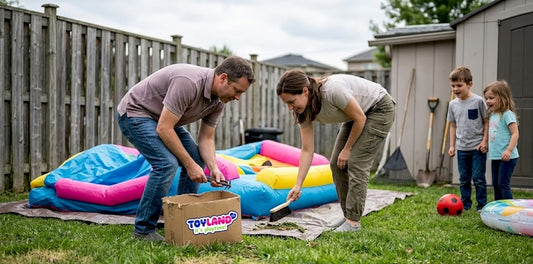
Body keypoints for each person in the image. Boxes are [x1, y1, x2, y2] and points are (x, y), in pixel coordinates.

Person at [117, 56, 255, 242]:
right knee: (166, 164)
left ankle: (182, 220)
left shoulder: (219, 101)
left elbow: (206, 138)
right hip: (136, 113)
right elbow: (164, 128)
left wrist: (213, 168)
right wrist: (189, 166)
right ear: (223, 78)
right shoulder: (189, 82)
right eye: (237, 90)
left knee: (196, 158)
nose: (237, 98)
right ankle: (143, 230)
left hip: (163, 119)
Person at [276, 69, 395, 232]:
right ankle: (348, 215)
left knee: (355, 162)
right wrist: (298, 185)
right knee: (335, 164)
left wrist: (347, 149)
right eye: (286, 104)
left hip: (379, 108)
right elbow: (307, 149)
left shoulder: (332, 90)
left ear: (305, 91)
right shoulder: (303, 111)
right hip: (357, 115)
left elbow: (360, 118)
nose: (290, 108)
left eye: (291, 101)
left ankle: (353, 222)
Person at [447, 66, 488, 211]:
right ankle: (465, 205)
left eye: (459, 85)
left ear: (469, 84)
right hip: (462, 148)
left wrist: (484, 141)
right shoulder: (452, 104)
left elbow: (486, 121)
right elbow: (453, 125)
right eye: (453, 86)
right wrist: (452, 146)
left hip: (477, 147)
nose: (456, 89)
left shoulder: (478, 101)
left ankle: (482, 205)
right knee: (464, 179)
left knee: (478, 178)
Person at [484, 80, 519, 200]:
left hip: (508, 157)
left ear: (502, 98)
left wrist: (509, 150)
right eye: (486, 98)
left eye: (491, 98)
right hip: (496, 156)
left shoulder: (507, 114)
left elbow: (515, 133)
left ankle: (509, 210)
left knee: (503, 184)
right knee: (496, 183)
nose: (488, 101)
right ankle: (499, 210)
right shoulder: (492, 114)